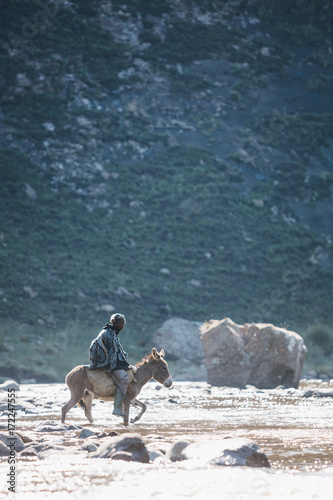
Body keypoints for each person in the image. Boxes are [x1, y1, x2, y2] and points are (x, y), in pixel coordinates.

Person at [88, 313, 131, 417]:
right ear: (115, 323)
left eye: (123, 324)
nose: (122, 326)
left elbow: (117, 351)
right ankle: (117, 408)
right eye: (121, 324)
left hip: (113, 362)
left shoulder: (113, 333)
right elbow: (104, 351)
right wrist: (108, 367)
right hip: (107, 363)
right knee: (125, 378)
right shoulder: (107, 334)